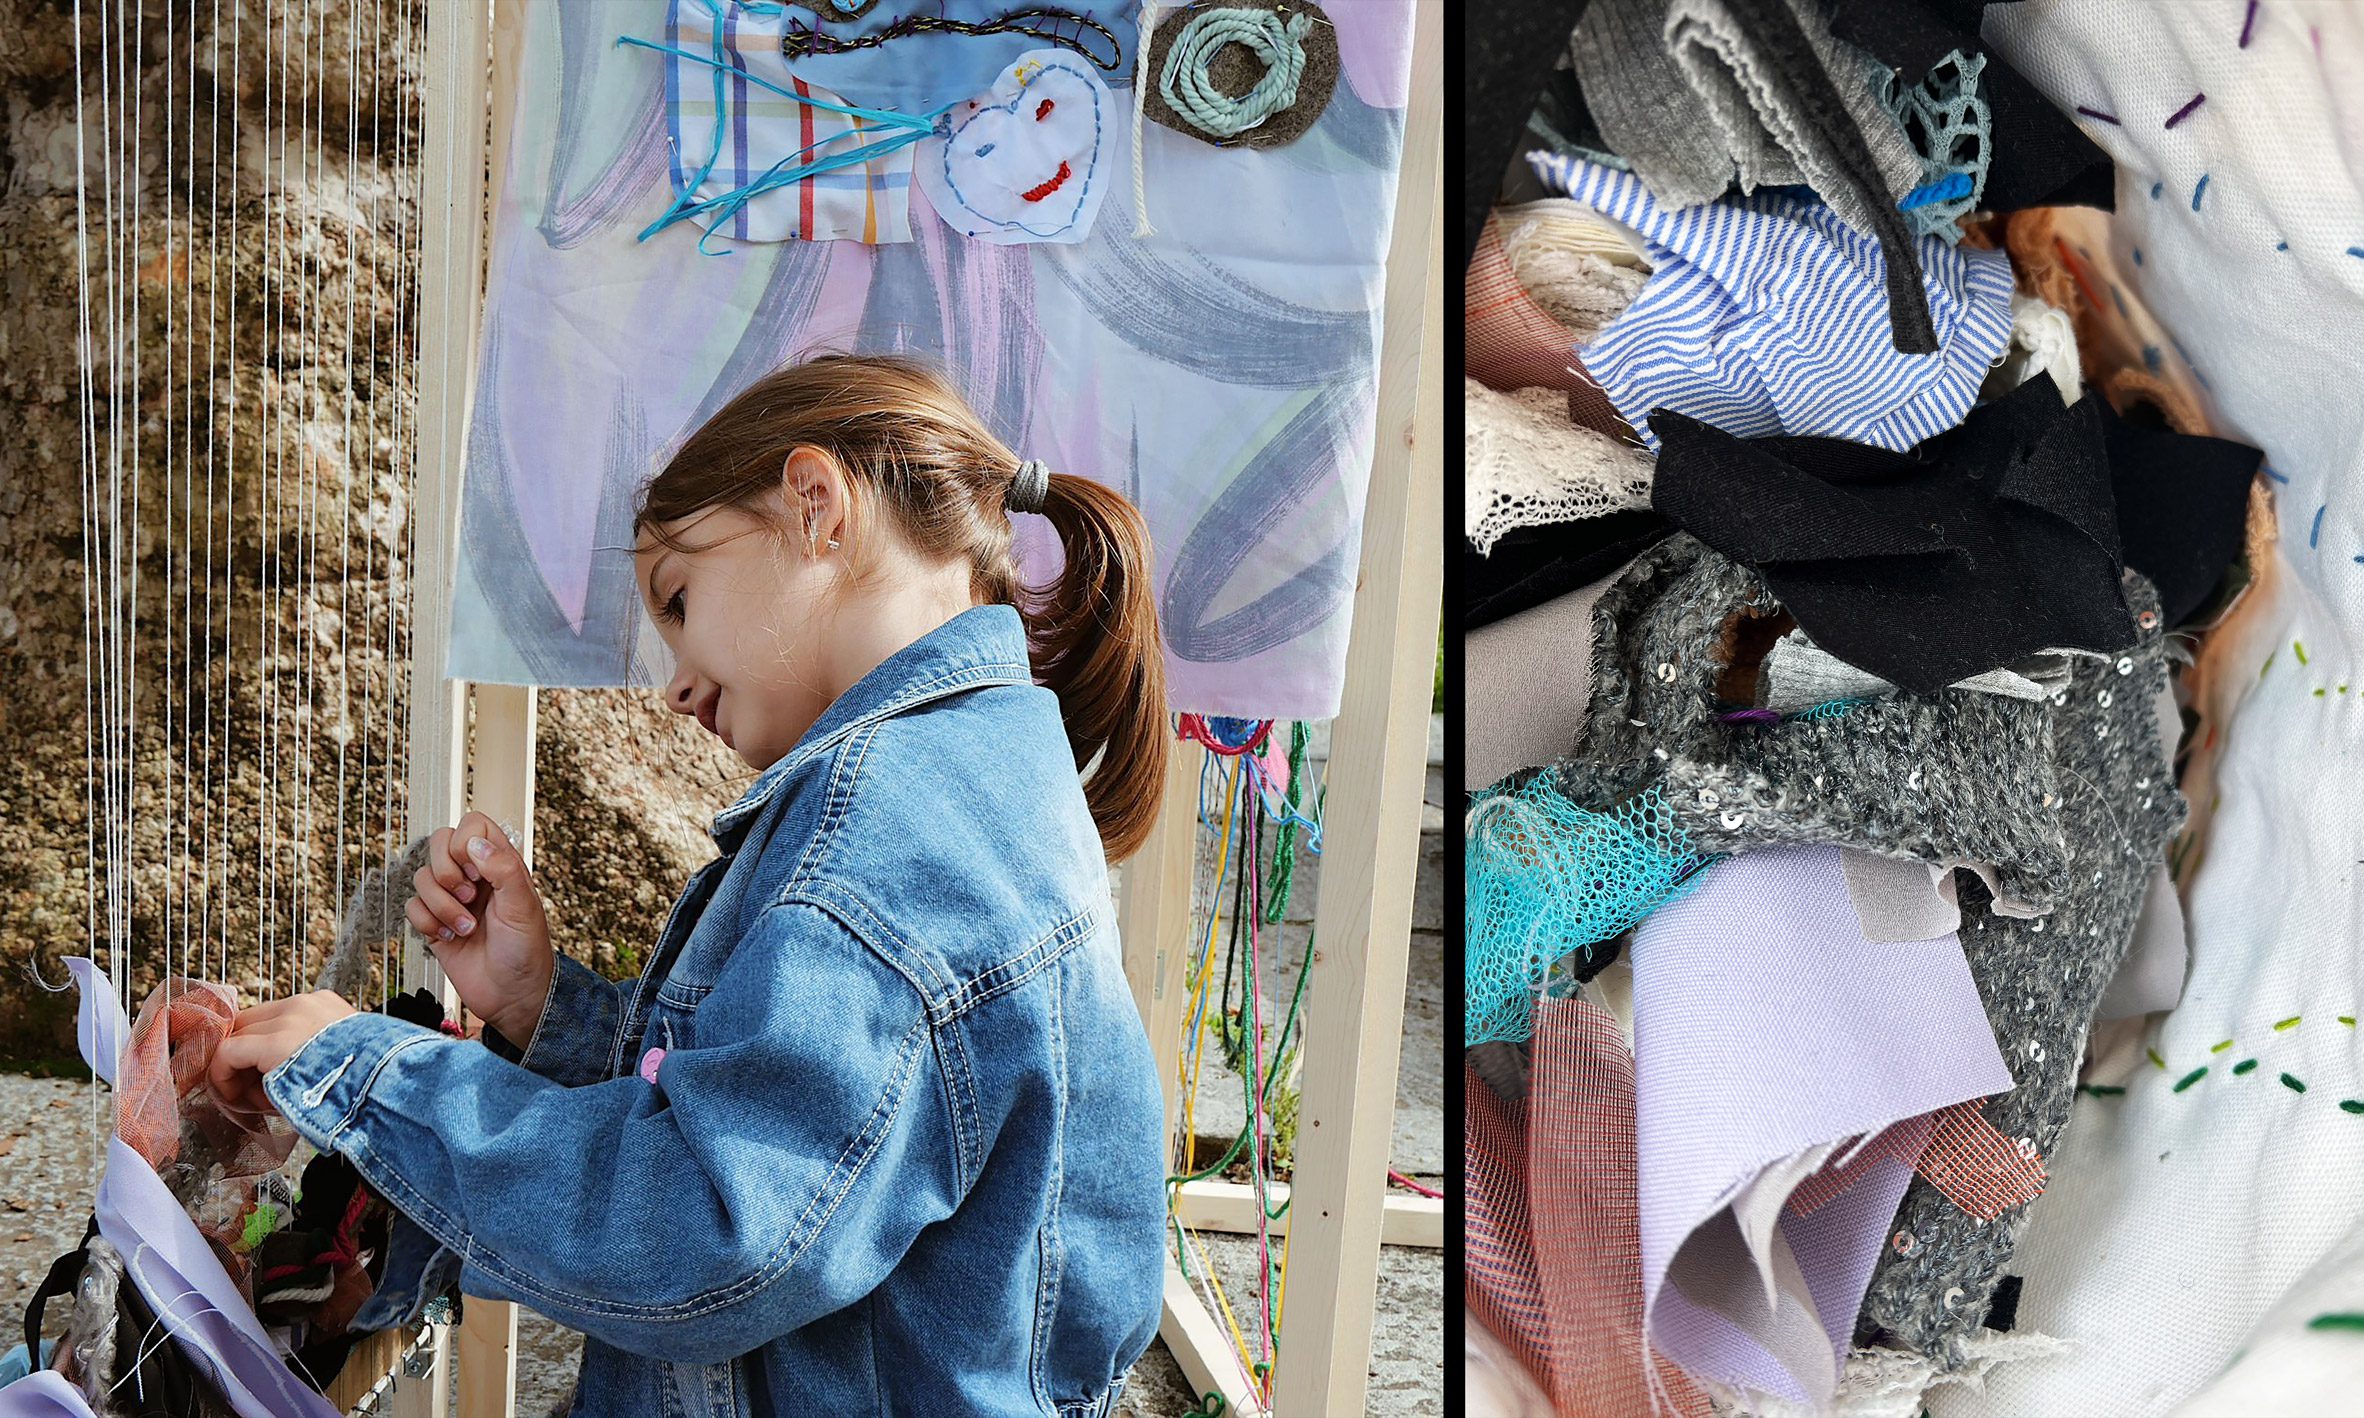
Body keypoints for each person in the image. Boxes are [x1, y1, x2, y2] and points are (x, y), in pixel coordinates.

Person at [211, 355, 1171, 1417]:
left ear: (817, 506)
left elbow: (716, 1227)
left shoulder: (892, 830)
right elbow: (785, 1124)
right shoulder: (968, 772)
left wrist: (361, 1069)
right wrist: (543, 1008)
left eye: (679, 597)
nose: (672, 686)